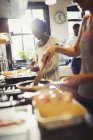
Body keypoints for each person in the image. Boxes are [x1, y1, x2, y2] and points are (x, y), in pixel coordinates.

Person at [42, 0, 93, 113]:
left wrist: (80, 78)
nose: (74, 0)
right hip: (83, 93)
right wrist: (55, 48)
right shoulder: (86, 20)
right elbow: (76, 50)